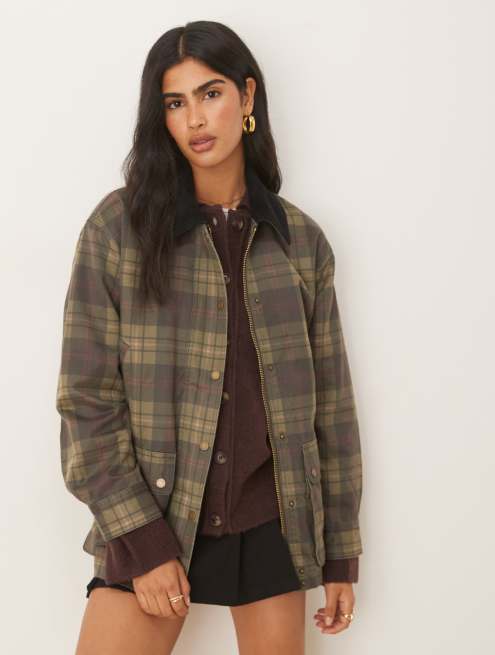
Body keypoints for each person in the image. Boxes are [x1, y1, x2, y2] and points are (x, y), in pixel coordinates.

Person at [56, 20, 363, 654]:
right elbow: (86, 401)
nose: (195, 118)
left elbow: (332, 411)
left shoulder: (301, 243)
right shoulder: (118, 229)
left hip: (273, 523)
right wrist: (142, 540)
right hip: (156, 515)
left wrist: (339, 553)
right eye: (175, 102)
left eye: (211, 93)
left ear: (247, 96)